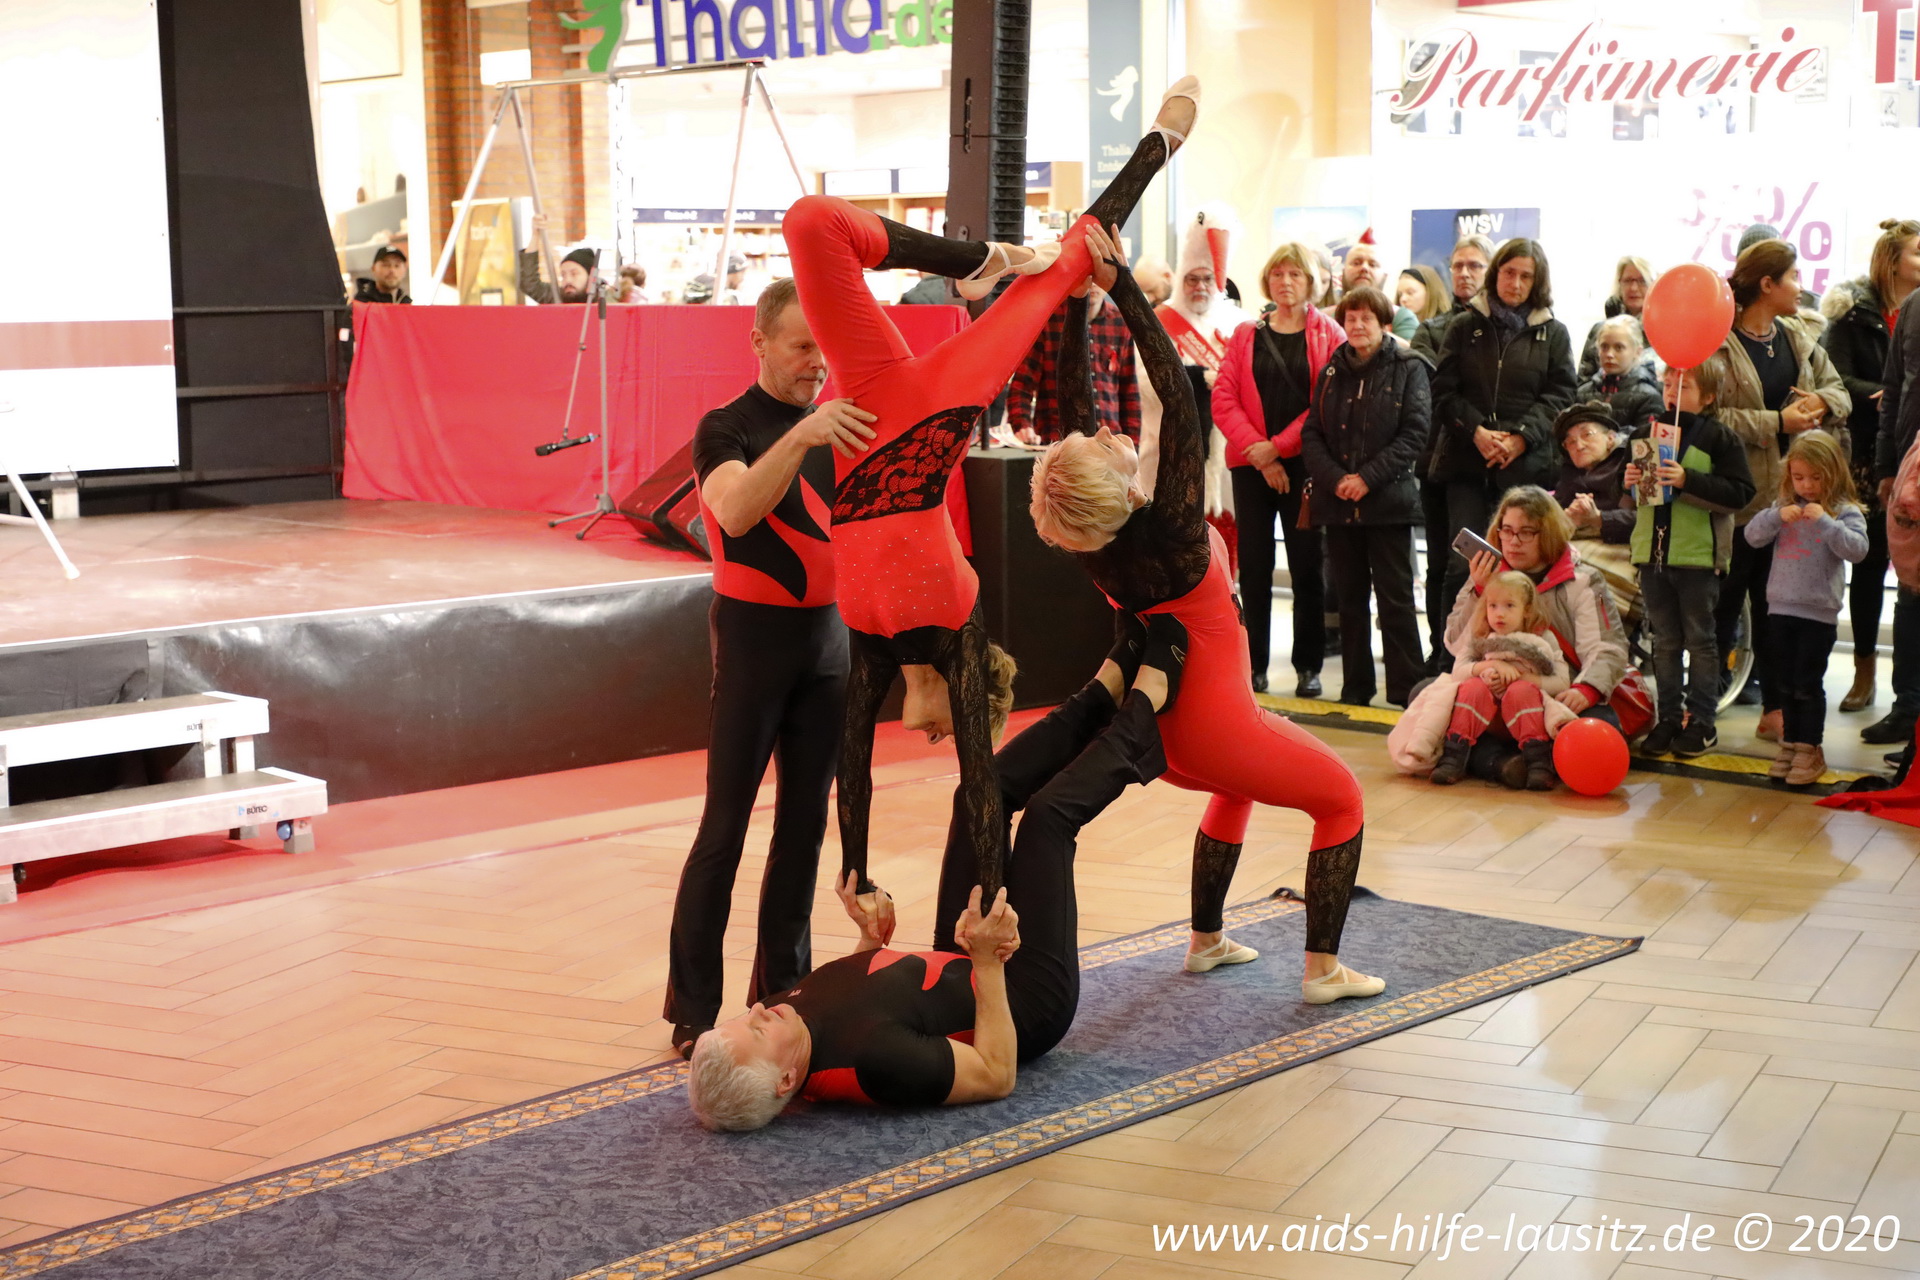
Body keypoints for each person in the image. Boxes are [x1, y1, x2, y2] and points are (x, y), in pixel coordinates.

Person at [782, 78, 1200, 911]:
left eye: (937, 731)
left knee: (807, 222)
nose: (933, 735)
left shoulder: (874, 649)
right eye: (948, 727)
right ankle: (1151, 152)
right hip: (934, 410)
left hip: (863, 401)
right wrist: (994, 902)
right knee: (1070, 261)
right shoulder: (959, 633)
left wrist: (856, 879)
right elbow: (983, 786)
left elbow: (851, 767)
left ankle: (991, 262)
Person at [1032, 227, 1382, 1001]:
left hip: (1162, 736)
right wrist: (1122, 286)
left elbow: (1074, 409)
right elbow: (1173, 392)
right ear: (1113, 482)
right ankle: (1323, 971)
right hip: (1218, 728)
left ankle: (1207, 940)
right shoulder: (1175, 532)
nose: (1110, 432)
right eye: (1104, 443)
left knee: (1237, 787)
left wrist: (1080, 302)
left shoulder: (1096, 541)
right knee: (1343, 800)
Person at [686, 644, 1180, 1130]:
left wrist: (868, 941)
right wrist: (987, 961)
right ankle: (1143, 711)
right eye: (756, 1031)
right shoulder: (877, 1064)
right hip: (1024, 998)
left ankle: (1102, 693)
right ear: (786, 1081)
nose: (757, 1010)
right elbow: (995, 1074)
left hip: (960, 957)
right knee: (1047, 820)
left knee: (977, 799)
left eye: (742, 1018)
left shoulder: (783, 1021)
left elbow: (855, 1000)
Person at [662, 279, 877, 1057]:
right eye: (801, 346)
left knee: (804, 825)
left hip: (829, 641)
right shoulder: (727, 427)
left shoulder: (839, 425)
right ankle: (693, 1007)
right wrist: (802, 437)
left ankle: (783, 991)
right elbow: (734, 510)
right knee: (724, 825)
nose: (816, 363)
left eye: (824, 349)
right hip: (754, 641)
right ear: (759, 342)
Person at [1714, 237, 1852, 744]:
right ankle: (1703, 705)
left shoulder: (1798, 337)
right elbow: (1709, 416)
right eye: (1793, 277)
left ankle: (1774, 708)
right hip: (1735, 501)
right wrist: (1776, 421)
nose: (1801, 286)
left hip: (1789, 501)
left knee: (1777, 610)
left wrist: (1819, 404)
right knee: (1724, 605)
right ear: (1767, 284)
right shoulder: (1719, 342)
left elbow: (1839, 392)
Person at [1213, 242, 1344, 696]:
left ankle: (1308, 666)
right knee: (1253, 567)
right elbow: (1223, 398)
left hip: (1306, 465)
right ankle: (1253, 665)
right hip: (1251, 465)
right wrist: (1260, 453)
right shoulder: (1245, 333)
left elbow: (1326, 402)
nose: (1285, 282)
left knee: (1307, 567)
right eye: (1278, 274)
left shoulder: (1329, 334)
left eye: (1295, 274)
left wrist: (1278, 448)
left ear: (1311, 282)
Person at [1445, 487, 1638, 784]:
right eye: (1507, 530)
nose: (1513, 541)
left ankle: (1519, 759)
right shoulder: (1486, 576)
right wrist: (1480, 592)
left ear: (1547, 533)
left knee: (1602, 724)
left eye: (1526, 532)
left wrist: (1585, 690)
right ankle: (1507, 764)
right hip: (1492, 695)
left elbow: (1607, 647)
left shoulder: (1583, 579)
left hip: (1553, 695)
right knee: (1424, 695)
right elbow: (1455, 645)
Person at [1429, 238, 1578, 615]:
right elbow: (1443, 392)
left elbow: (1561, 395)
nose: (1516, 283)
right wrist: (1476, 431)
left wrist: (1521, 438)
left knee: (1521, 566)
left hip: (1526, 468)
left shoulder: (1554, 333)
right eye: (1509, 273)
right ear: (1496, 274)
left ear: (1537, 281)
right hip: (1466, 463)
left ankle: (1519, 645)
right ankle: (1451, 649)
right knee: (1463, 565)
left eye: (1526, 276)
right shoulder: (1463, 326)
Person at [1300, 284, 1430, 707]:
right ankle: (1355, 689)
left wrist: (1366, 479)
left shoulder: (1409, 367)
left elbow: (1415, 434)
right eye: (1350, 318)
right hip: (1339, 504)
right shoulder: (1331, 371)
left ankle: (1407, 690)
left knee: (1396, 601)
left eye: (1366, 318)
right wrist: (1337, 479)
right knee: (1350, 602)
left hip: (1389, 503)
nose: (1357, 325)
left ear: (1384, 324)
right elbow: (1312, 433)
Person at [1624, 356, 1757, 759]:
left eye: (1685, 387)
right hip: (1653, 555)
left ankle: (1702, 722)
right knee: (1664, 642)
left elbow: (1740, 494)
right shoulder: (1647, 433)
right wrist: (1626, 482)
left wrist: (1687, 480)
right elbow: (1631, 497)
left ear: (1709, 396)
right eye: (1668, 384)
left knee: (1700, 641)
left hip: (1698, 557)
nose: (1673, 393)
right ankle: (1667, 718)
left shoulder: (1720, 438)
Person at [1821, 219, 1920, 715]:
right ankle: (1864, 672)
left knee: (1912, 579)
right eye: (1917, 252)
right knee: (1868, 565)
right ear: (1892, 261)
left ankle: (1909, 695)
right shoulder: (1853, 314)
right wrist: (1884, 395)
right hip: (1869, 454)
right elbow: (1835, 379)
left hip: (1912, 451)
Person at [1743, 430, 1868, 784]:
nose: (1807, 486)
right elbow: (1752, 536)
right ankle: (1790, 745)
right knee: (1784, 683)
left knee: (1806, 684)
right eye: (1799, 477)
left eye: (1816, 478)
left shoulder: (1843, 512)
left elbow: (1858, 550)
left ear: (1833, 474)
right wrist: (1775, 517)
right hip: (1780, 609)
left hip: (1817, 614)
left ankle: (1810, 747)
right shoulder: (1784, 507)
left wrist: (1826, 523)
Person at [1414, 234, 1495, 668]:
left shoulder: (1501, 331)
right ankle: (1440, 651)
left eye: (1474, 266)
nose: (1465, 273)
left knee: (1483, 565)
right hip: (1438, 461)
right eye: (1458, 266)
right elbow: (1434, 392)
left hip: (1493, 461)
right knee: (1444, 564)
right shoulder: (1433, 329)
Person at [1136, 206, 1251, 512]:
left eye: (1207, 279)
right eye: (1192, 279)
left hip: (1228, 448)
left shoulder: (1240, 322)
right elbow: (1145, 381)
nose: (1200, 286)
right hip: (1168, 443)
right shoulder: (1158, 322)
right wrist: (1200, 379)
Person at [1428, 571, 1568, 790]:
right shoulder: (1481, 636)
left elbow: (1562, 681)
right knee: (1472, 687)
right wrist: (1490, 666)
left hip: (1525, 716)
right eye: (1492, 606)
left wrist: (1522, 678)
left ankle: (1539, 763)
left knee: (1521, 690)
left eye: (1509, 606)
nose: (1499, 614)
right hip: (1486, 720)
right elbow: (1458, 672)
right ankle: (1454, 757)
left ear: (1527, 610)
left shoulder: (1542, 639)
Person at [1871, 247, 1920, 746]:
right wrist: (1887, 465)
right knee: (1910, 593)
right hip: (1911, 470)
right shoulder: (1914, 307)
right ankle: (1908, 711)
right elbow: (1894, 388)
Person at [1007, 292, 1140, 445]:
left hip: (1108, 441)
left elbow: (1129, 390)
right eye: (1088, 278)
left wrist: (1132, 445)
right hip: (1059, 440)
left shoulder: (1119, 322)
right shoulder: (1048, 318)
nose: (1093, 283)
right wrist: (1022, 425)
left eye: (1097, 279)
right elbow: (1023, 382)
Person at [1577, 256, 1657, 382]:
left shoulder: (1663, 332)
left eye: (1642, 281)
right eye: (1628, 281)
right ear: (1619, 284)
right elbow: (1583, 380)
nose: (1633, 288)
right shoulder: (1599, 330)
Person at [1576, 316, 1663, 430]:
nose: (1609, 354)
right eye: (1604, 347)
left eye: (1619, 348)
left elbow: (1646, 438)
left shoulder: (1649, 397)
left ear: (1637, 351)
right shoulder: (1583, 393)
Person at [1340, 229, 1418, 341]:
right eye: (1356, 263)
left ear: (1385, 275)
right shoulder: (1325, 317)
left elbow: (1409, 349)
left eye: (1373, 264)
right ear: (1343, 272)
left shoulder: (1401, 317)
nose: (1364, 268)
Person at [520, 214, 597, 304]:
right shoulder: (558, 297)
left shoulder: (605, 298)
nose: (567, 280)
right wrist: (535, 235)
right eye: (563, 275)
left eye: (574, 274)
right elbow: (530, 285)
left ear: (591, 276)